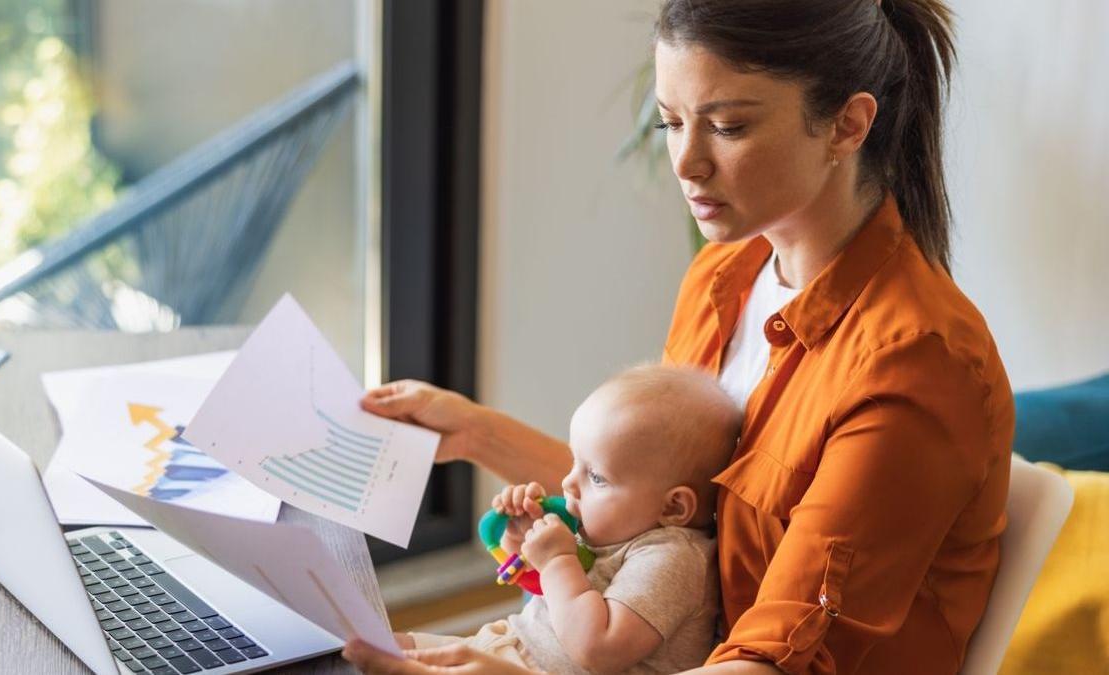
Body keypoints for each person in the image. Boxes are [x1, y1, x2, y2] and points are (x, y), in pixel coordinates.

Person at [346, 0, 1012, 673]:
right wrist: (472, 433)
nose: (686, 162)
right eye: (670, 122)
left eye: (728, 126)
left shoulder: (915, 365)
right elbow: (655, 502)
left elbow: (773, 656)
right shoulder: (722, 277)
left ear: (846, 124)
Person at [400, 365, 740, 674]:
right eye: (574, 461)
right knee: (382, 647)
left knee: (387, 663)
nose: (567, 484)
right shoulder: (612, 528)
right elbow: (557, 600)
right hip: (511, 646)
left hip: (530, 667)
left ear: (674, 508)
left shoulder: (672, 559)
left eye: (595, 476)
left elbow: (598, 648)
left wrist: (557, 562)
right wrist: (523, 546)